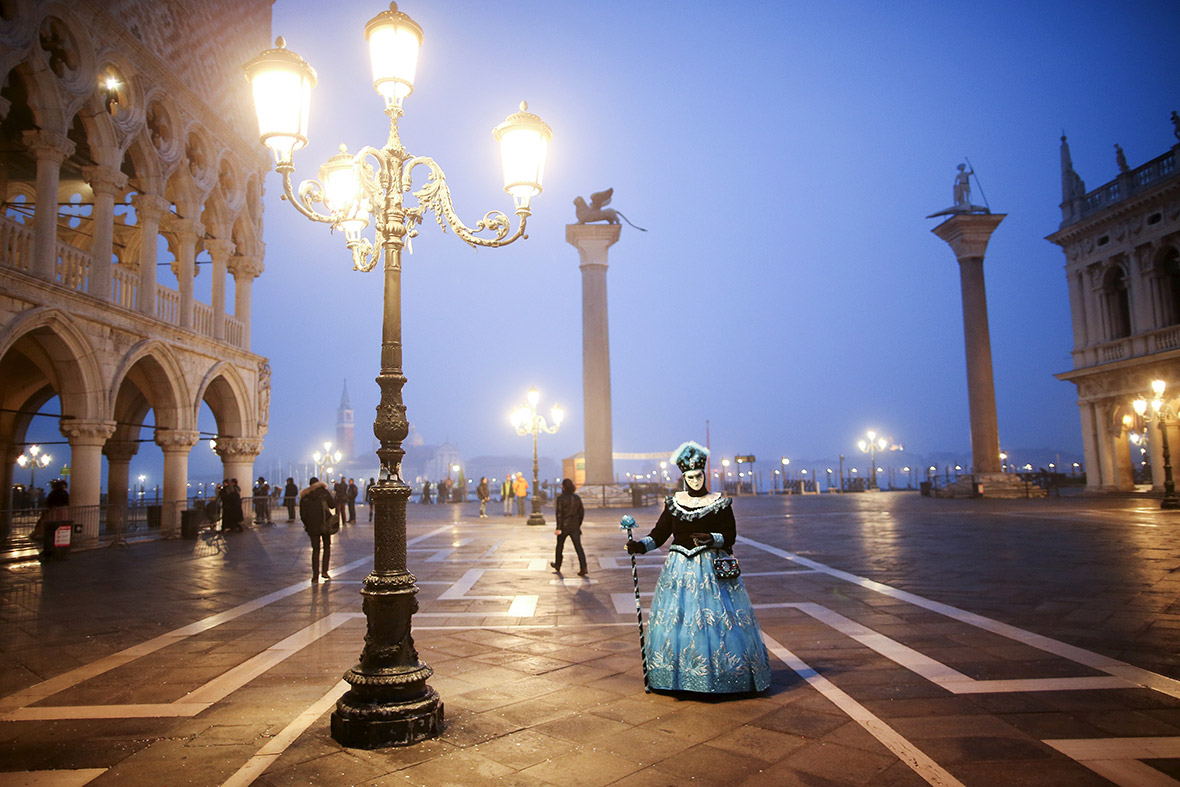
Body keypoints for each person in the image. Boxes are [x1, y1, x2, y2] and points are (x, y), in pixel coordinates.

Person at [625, 440, 771, 694]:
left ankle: (723, 677)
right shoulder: (674, 504)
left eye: (699, 476)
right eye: (690, 477)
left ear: (705, 475)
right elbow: (659, 535)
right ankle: (678, 678)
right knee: (680, 620)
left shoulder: (720, 503)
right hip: (679, 570)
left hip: (712, 571)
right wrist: (639, 546)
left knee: (716, 623)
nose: (695, 481)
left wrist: (712, 538)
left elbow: (730, 535)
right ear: (684, 477)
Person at [299, 476, 337, 582]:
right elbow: (333, 505)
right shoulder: (324, 492)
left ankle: (315, 575)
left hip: (312, 526)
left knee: (315, 550)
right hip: (325, 525)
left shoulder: (305, 496)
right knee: (327, 547)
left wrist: (308, 524)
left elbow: (303, 515)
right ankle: (325, 571)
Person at [552, 478, 587, 576]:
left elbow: (559, 515)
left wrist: (558, 528)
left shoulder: (560, 499)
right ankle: (583, 567)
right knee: (578, 547)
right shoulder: (577, 498)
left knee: (559, 546)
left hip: (564, 526)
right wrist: (578, 524)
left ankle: (558, 564)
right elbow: (581, 513)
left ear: (563, 487)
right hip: (575, 526)